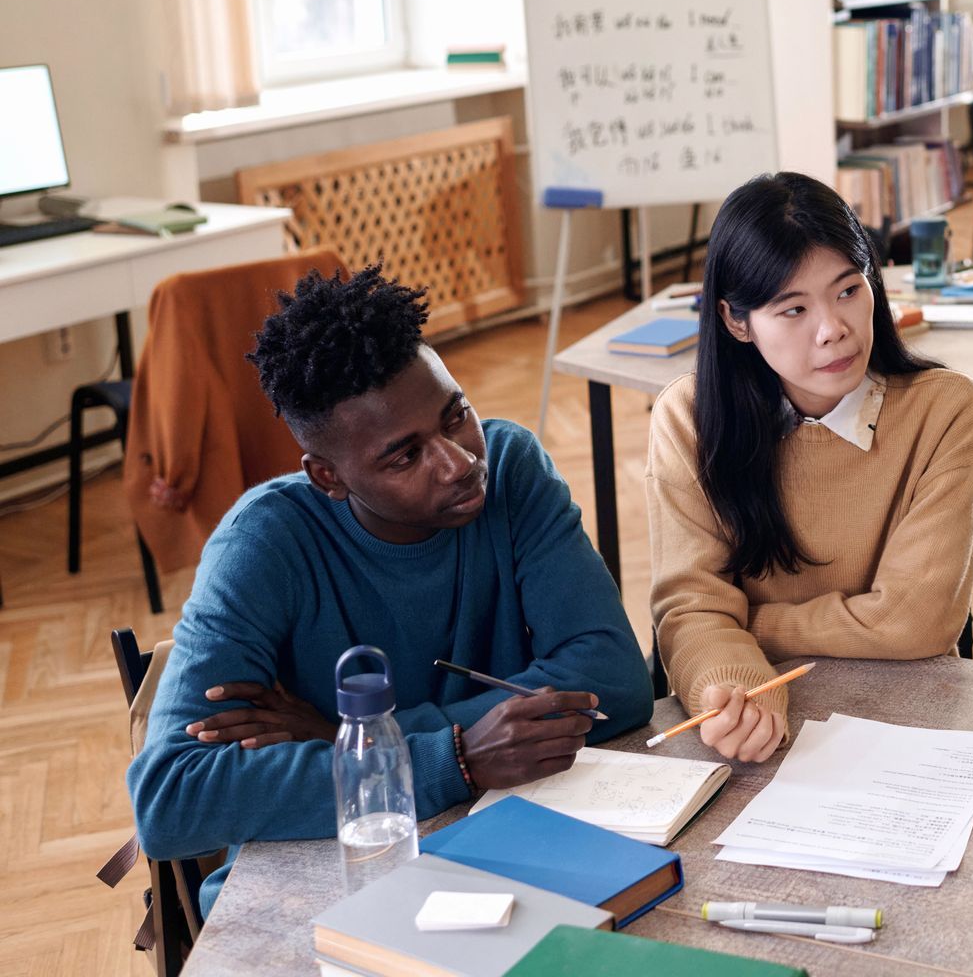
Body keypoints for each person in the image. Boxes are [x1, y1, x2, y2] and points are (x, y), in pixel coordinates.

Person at [127, 266, 650, 912]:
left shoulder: (510, 469)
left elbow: (617, 683)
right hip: (326, 877)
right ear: (328, 476)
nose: (459, 462)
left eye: (456, 415)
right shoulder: (262, 543)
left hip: (514, 837)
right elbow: (171, 798)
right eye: (404, 456)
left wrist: (351, 741)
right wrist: (449, 759)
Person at [648, 173, 973, 763]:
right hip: (762, 726)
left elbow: (916, 621)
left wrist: (746, 622)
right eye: (793, 309)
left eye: (848, 291)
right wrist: (735, 683)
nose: (833, 329)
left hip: (910, 721)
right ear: (736, 322)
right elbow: (691, 607)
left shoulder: (944, 408)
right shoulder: (689, 418)